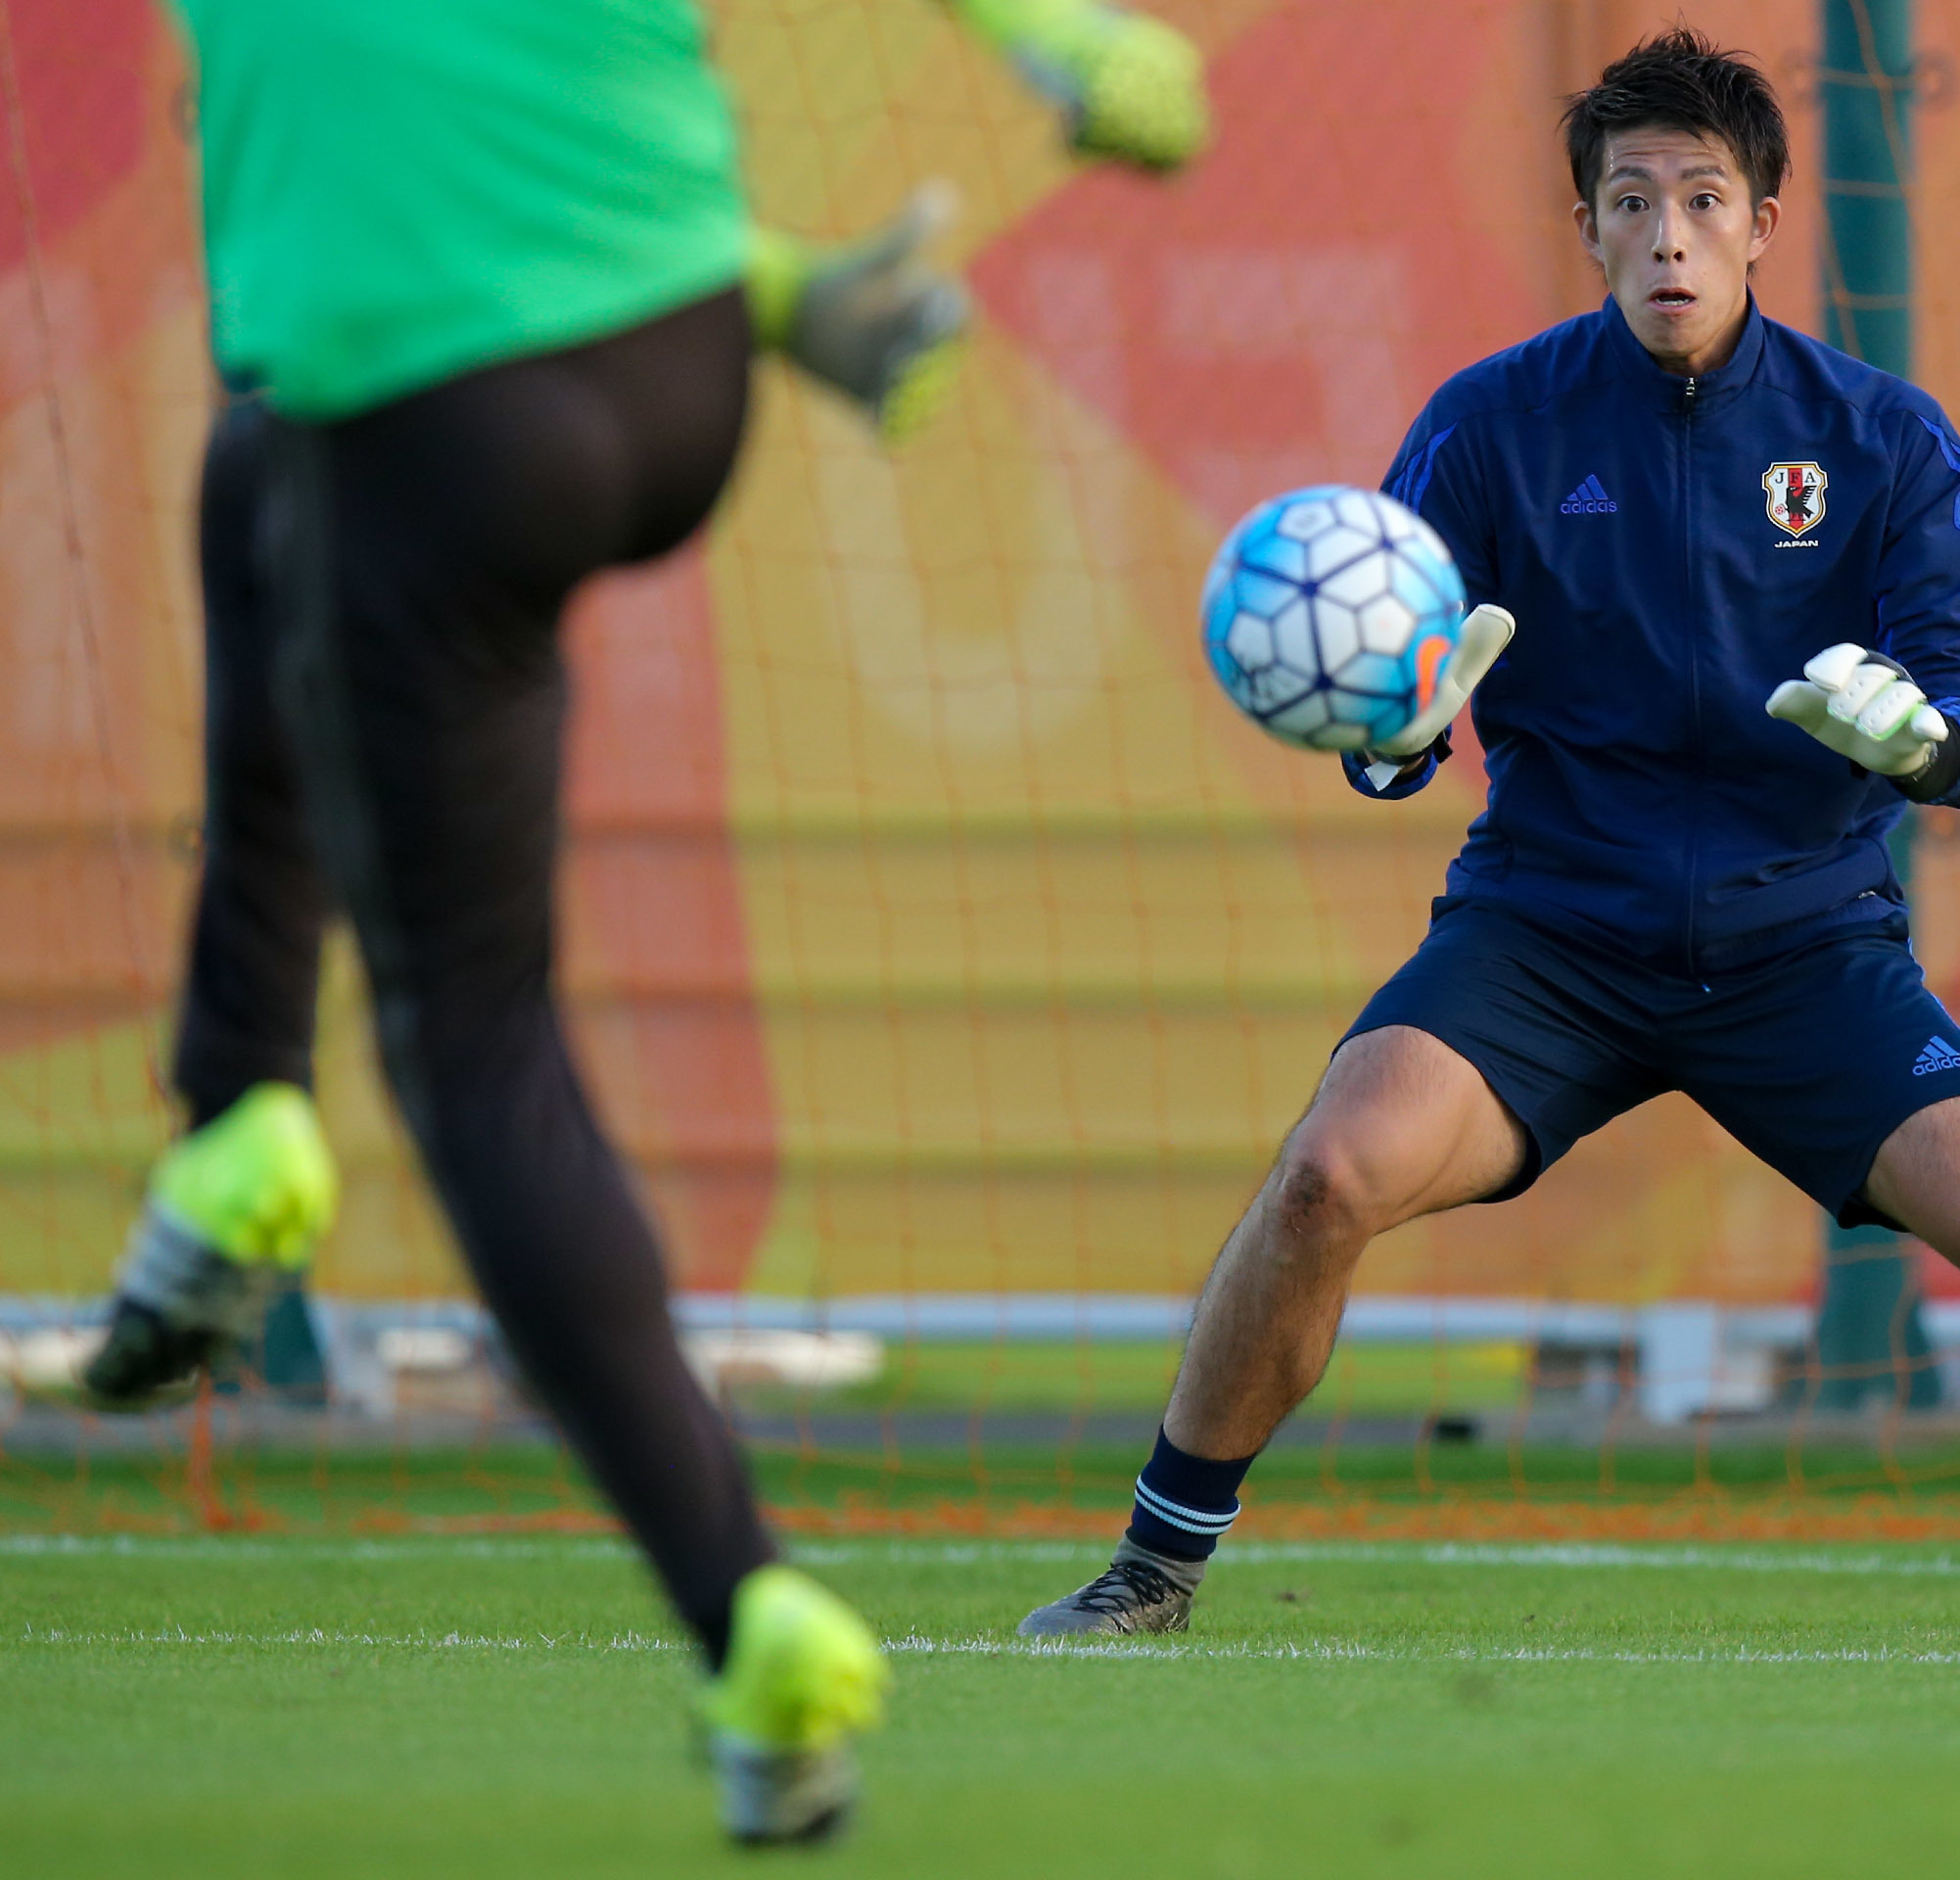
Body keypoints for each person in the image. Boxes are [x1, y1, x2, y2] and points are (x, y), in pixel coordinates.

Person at [1017, 28, 1960, 1640]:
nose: (1669, 233)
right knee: (1322, 1180)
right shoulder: (1489, 426)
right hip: (1549, 938)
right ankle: (1151, 1569)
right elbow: (1388, 727)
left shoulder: (1884, 440)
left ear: (1767, 218)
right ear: (1589, 230)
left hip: (1806, 946)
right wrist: (1397, 732)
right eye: (1631, 200)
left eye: (1705, 197)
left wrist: (1913, 735)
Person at [79, 0, 1210, 1844]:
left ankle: (744, 1609)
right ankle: (236, 1112)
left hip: (437, 407)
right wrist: (1049, 37)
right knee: (252, 480)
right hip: (679, 353)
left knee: (476, 1042)